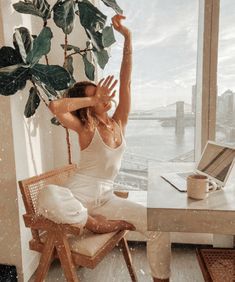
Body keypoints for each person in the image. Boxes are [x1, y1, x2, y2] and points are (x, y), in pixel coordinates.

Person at [49, 14, 171, 282]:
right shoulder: (85, 129)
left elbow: (125, 82)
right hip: (79, 197)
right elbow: (56, 107)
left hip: (107, 199)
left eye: (102, 92)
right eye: (96, 95)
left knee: (159, 225)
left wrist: (128, 37)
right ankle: (92, 223)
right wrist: (87, 101)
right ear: (86, 104)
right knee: (49, 195)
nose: (105, 96)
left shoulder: (119, 123)